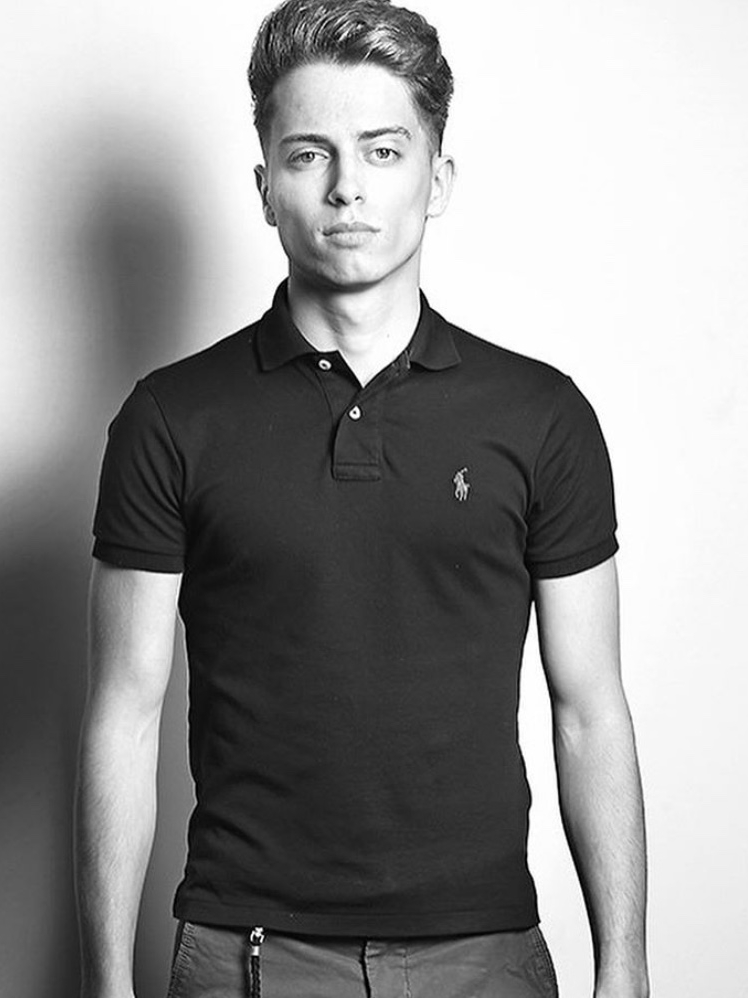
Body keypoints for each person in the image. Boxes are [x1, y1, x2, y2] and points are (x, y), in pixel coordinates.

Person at [75, 1, 649, 996]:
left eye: (383, 151)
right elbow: (122, 711)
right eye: (310, 154)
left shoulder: (540, 416)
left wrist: (625, 965)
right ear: (266, 187)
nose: (347, 187)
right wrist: (104, 982)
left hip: (484, 955)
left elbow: (589, 706)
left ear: (438, 177)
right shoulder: (169, 419)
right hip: (247, 952)